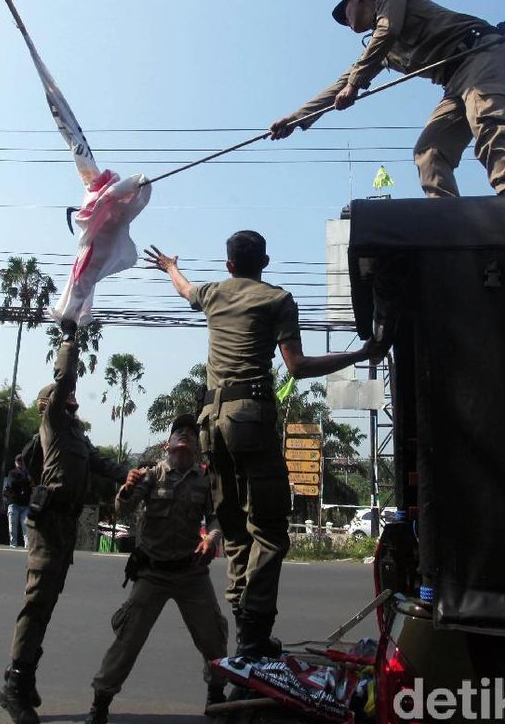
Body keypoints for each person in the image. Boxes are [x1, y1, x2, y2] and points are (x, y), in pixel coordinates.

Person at [145, 231, 383, 660]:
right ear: (266, 262)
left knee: (234, 527)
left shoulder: (213, 293)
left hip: (209, 425)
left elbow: (184, 289)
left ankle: (244, 623)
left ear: (229, 265)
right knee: (269, 531)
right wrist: (359, 354)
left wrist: (170, 267)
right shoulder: (277, 299)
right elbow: (297, 366)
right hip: (250, 421)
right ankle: (255, 632)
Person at [270, 0, 505, 198]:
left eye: (344, 11)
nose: (345, 21)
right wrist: (295, 119)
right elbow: (341, 85)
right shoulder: (380, 50)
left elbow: (388, 29)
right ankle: (449, 221)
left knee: (486, 121)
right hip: (453, 82)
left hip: (480, 53)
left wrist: (354, 84)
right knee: (429, 151)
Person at [0, 320, 129, 724]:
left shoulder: (77, 437)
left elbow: (104, 465)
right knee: (37, 602)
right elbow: (65, 378)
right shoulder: (53, 424)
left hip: (66, 527)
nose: (73, 400)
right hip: (48, 522)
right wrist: (70, 340)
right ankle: (15, 686)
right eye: (65, 398)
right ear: (50, 405)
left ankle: (25, 675)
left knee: (48, 603)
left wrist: (136, 475)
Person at [85, 413, 228, 724]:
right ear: (168, 444)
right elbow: (123, 507)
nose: (185, 435)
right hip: (153, 572)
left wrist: (212, 538)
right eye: (179, 432)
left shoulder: (205, 480)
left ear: (197, 446)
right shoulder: (151, 475)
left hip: (191, 572)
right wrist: (126, 489)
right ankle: (100, 702)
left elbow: (215, 518)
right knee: (128, 640)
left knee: (213, 637)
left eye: (191, 432)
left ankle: (216, 696)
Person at [4, 455, 33, 548]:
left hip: (25, 504)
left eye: (21, 461)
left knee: (26, 527)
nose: (20, 463)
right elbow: (12, 483)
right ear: (15, 462)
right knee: (12, 527)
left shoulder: (28, 474)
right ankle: (13, 545)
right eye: (18, 461)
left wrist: (27, 481)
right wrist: (25, 481)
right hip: (14, 503)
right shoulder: (12, 473)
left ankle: (27, 546)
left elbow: (32, 486)